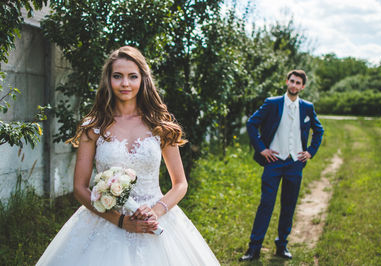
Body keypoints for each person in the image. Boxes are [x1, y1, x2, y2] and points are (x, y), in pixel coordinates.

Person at [37, 46, 220, 266]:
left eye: (132, 76)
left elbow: (180, 183)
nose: (125, 84)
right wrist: (121, 221)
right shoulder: (94, 126)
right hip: (106, 220)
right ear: (108, 80)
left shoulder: (160, 125)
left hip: (154, 217)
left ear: (143, 79)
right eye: (118, 76)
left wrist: (156, 211)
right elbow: (80, 188)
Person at [239, 70, 324, 261]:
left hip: (295, 163)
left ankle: (282, 246)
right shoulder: (272, 103)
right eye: (292, 81)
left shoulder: (307, 107)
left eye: (298, 83)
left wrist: (310, 151)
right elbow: (252, 123)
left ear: (303, 86)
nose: (294, 85)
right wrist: (261, 148)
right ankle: (254, 249)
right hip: (274, 162)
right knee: (266, 204)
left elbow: (318, 130)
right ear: (287, 82)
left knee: (289, 205)